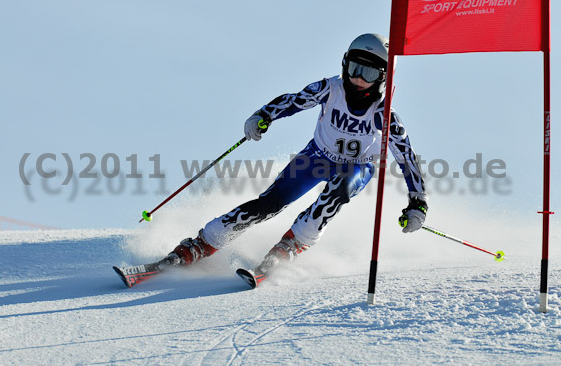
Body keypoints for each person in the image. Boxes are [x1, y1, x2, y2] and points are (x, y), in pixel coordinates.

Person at [157, 33, 427, 286]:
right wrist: (264, 116)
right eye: (355, 68)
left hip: (356, 166)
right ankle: (201, 244)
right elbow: (294, 100)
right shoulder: (329, 88)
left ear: (383, 77)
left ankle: (291, 244)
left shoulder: (384, 114)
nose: (358, 79)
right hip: (317, 156)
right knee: (269, 204)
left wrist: (417, 203)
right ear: (345, 64)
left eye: (368, 73)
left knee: (338, 192)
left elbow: (406, 157)